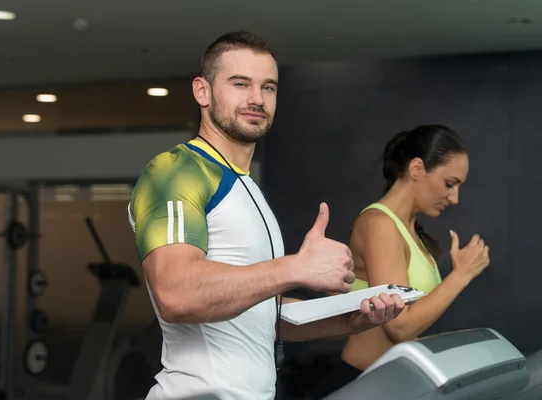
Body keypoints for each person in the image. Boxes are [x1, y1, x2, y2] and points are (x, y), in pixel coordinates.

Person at [127, 31, 406, 400]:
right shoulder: (175, 171)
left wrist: (352, 318)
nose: (256, 99)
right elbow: (175, 293)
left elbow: (262, 314)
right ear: (202, 91)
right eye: (240, 84)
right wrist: (296, 268)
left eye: (268, 87)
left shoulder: (246, 186)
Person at [310, 125, 491, 399]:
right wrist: (461, 275)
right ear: (417, 169)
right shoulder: (379, 224)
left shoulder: (411, 231)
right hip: (362, 384)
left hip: (395, 384)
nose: (454, 198)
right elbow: (399, 327)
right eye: (450, 184)